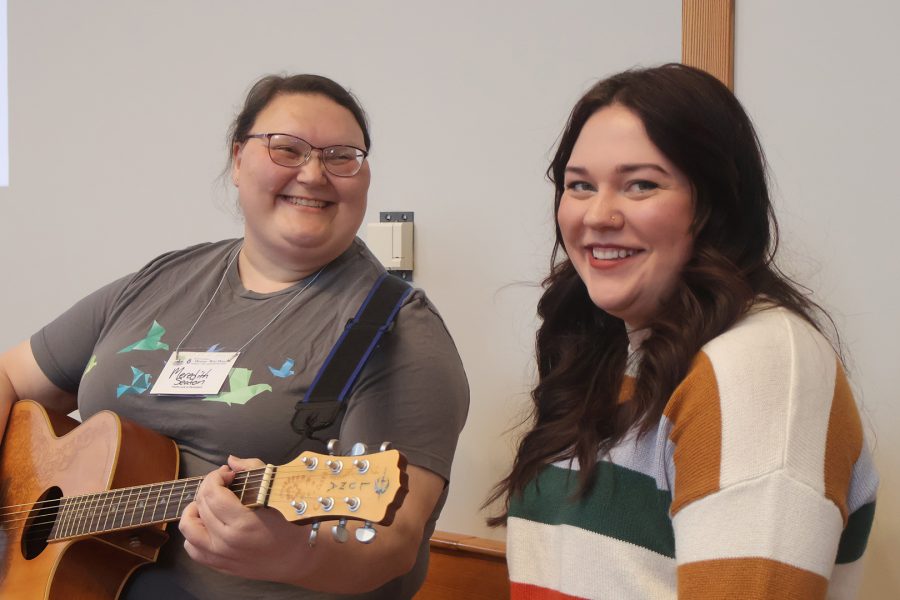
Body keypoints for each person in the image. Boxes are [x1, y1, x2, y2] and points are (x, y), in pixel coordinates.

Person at [0, 74, 469, 599]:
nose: (313, 174)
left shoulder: (398, 330)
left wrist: (295, 554)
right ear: (238, 159)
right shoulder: (160, 281)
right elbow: (10, 374)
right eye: (286, 149)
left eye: (342, 156)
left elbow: (394, 543)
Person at [489, 64, 877, 599]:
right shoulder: (613, 350)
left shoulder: (760, 364)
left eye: (641, 184)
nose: (598, 214)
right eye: (579, 185)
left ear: (713, 204)